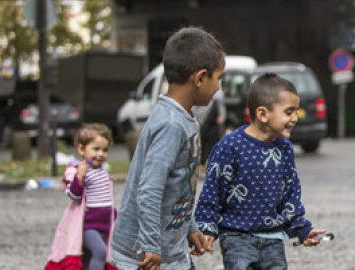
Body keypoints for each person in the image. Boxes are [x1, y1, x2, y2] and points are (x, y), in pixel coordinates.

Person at [109, 27, 223, 270]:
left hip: (173, 251)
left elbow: (178, 188)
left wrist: (190, 228)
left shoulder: (182, 118)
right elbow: (149, 189)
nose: (219, 88)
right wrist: (151, 246)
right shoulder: (171, 124)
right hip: (147, 257)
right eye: (218, 78)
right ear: (200, 78)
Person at [194, 74, 327, 270]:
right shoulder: (230, 147)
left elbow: (290, 196)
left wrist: (302, 229)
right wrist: (206, 228)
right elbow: (212, 192)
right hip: (236, 239)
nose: (294, 118)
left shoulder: (285, 149)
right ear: (263, 114)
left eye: (295, 112)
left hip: (272, 239)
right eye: (289, 112)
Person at [46, 123, 117, 270]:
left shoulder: (102, 172)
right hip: (87, 225)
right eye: (96, 149)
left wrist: (114, 215)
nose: (101, 154)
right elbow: (73, 195)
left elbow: (105, 200)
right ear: (81, 149)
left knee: (89, 258)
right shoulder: (77, 170)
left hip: (103, 225)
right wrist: (80, 177)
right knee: (100, 251)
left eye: (105, 150)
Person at [193, 87, 226, 164]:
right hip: (199, 121)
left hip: (211, 121)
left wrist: (221, 116)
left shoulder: (217, 93)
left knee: (210, 142)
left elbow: (221, 106)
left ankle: (207, 161)